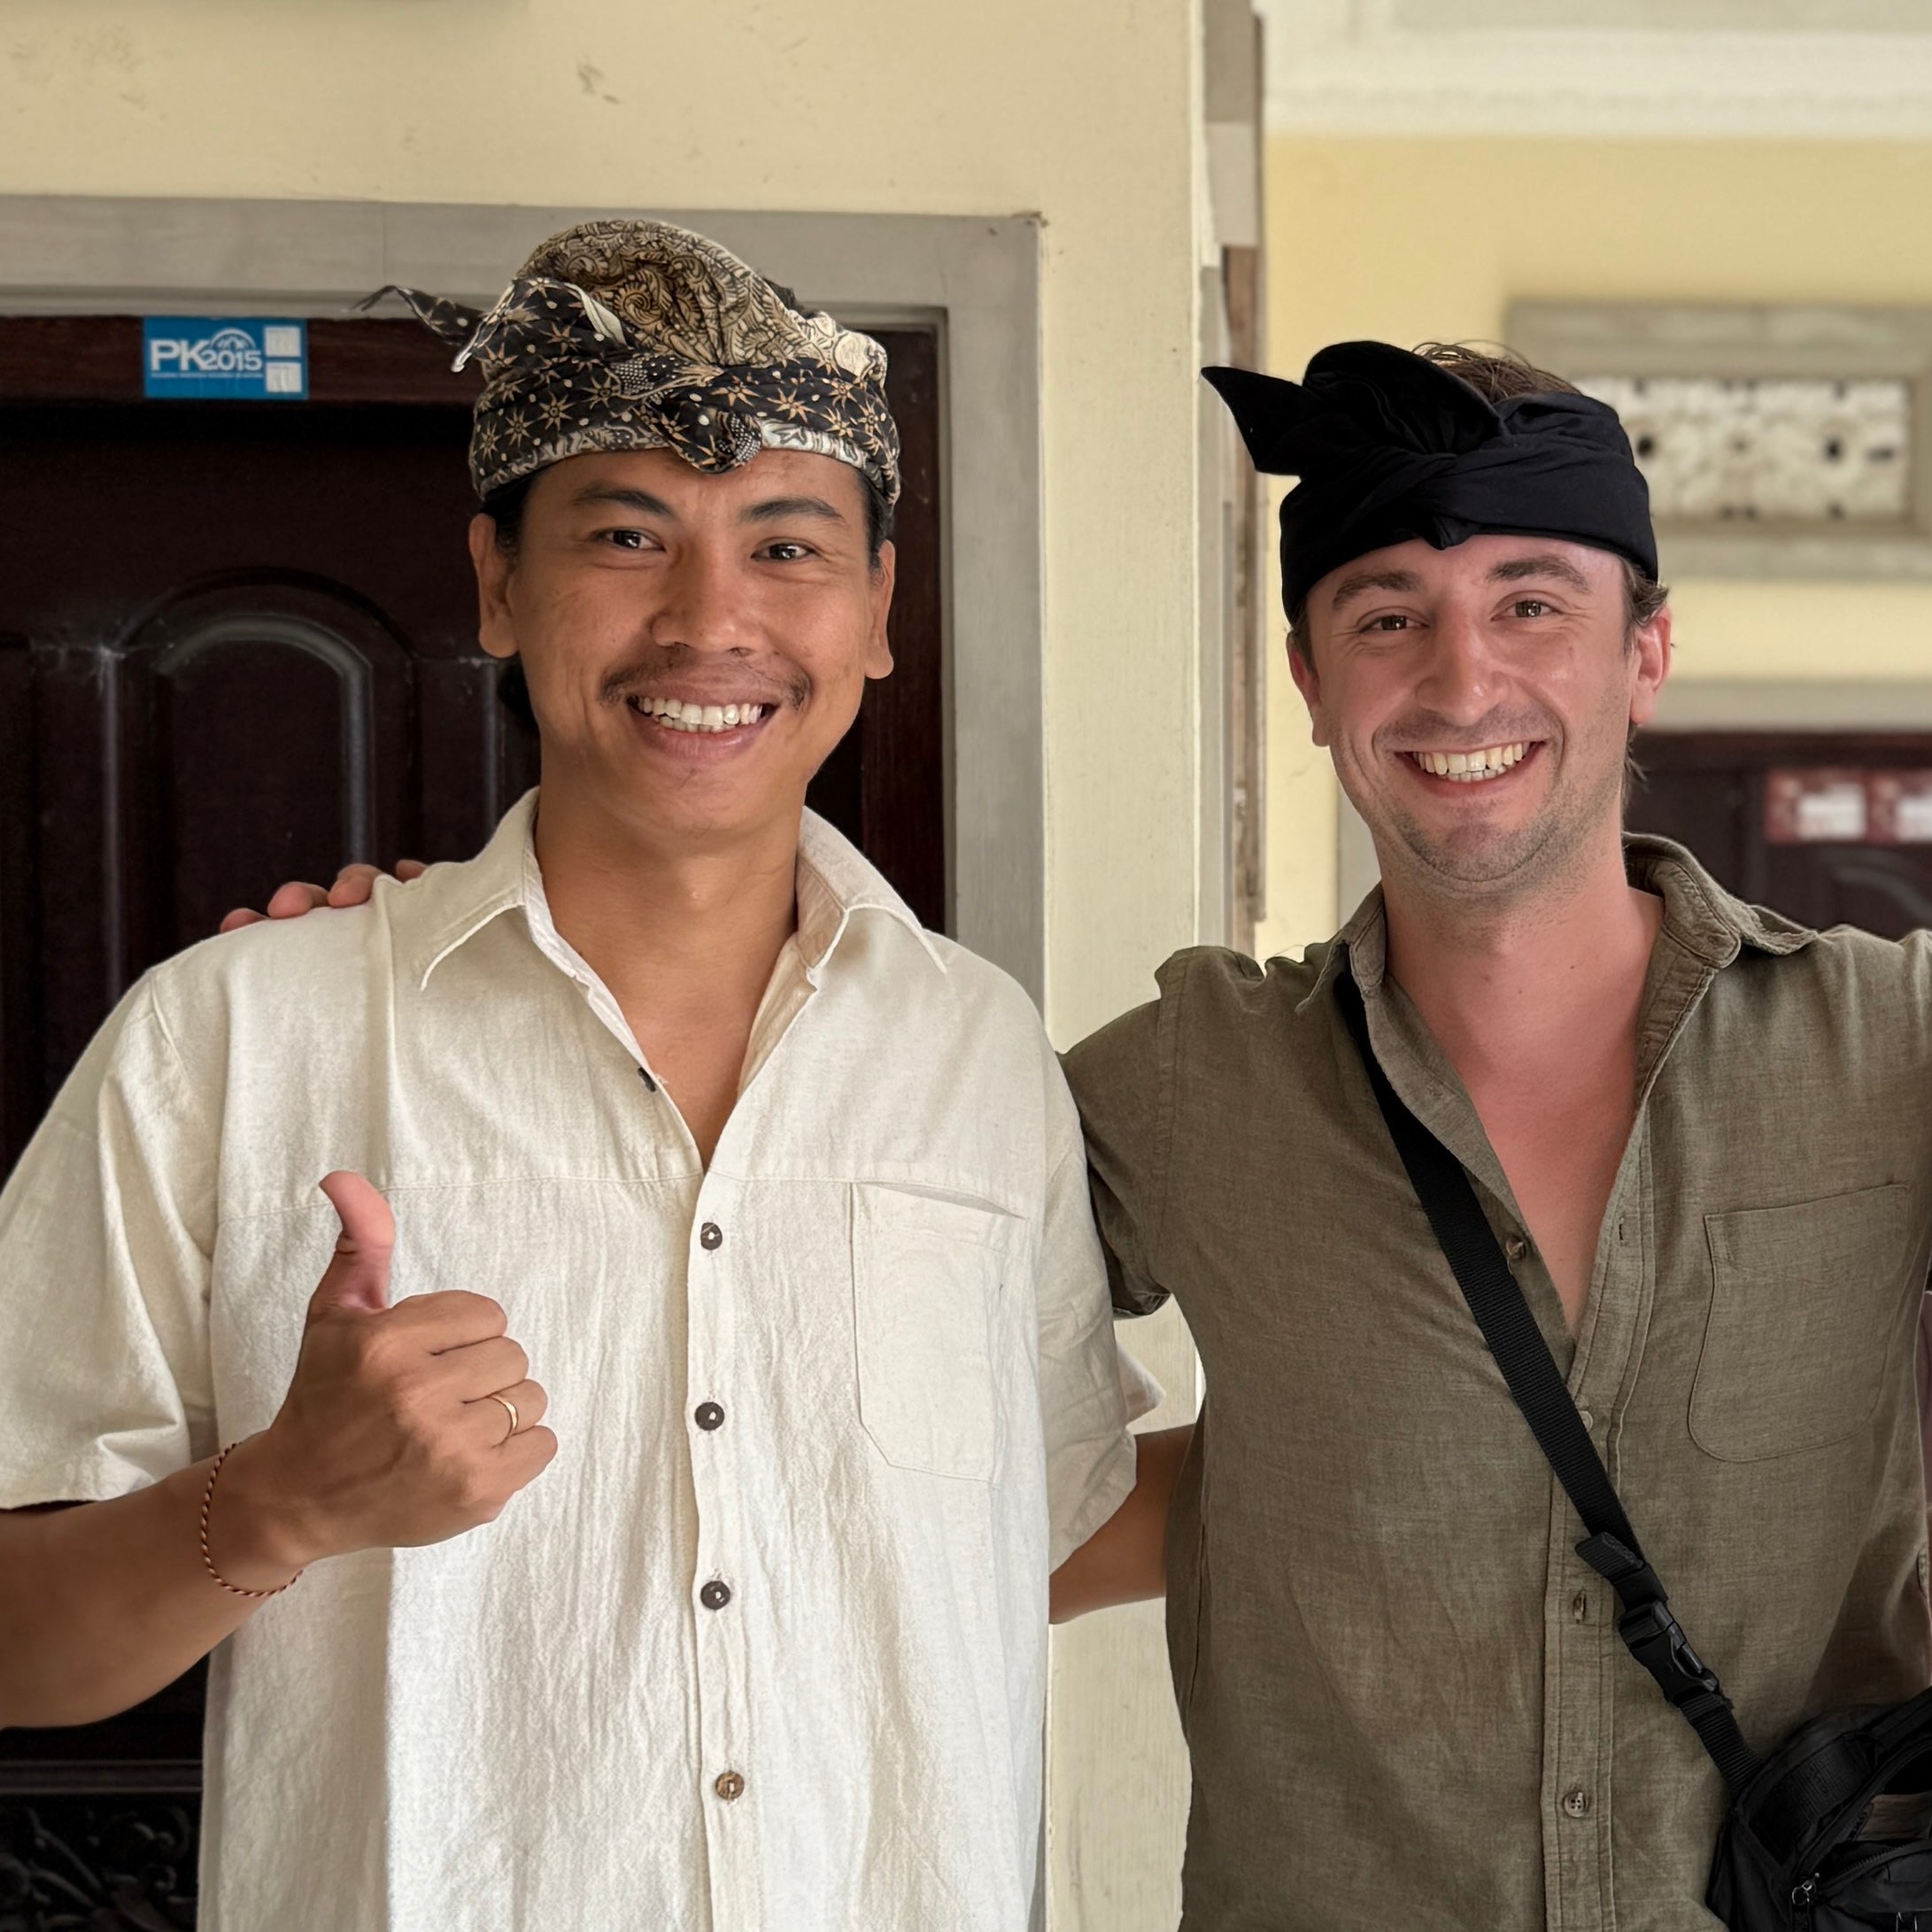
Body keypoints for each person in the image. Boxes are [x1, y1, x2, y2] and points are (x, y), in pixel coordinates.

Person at [0, 219, 1157, 1932]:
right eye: (627, 535)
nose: (710, 620)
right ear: (495, 586)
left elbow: (1036, 1525)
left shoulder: (980, 1052)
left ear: (878, 609)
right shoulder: (230, 1040)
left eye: (786, 544)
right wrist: (284, 1498)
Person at [1057, 340, 1932, 1926]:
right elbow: (848, 1378)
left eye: (1531, 605)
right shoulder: (1197, 1084)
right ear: (1309, 680)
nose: (1461, 683)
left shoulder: (1890, 1047)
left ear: (1643, 653)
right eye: (1386, 617)